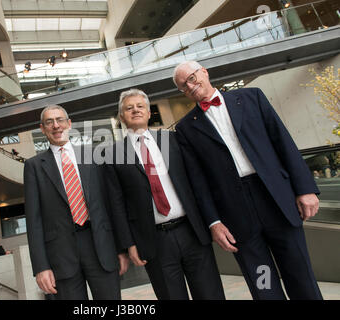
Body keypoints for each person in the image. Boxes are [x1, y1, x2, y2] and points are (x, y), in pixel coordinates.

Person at [173, 60, 323, 300]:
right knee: (264, 285)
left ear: (204, 71)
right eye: (183, 86)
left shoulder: (252, 98)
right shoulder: (186, 129)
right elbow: (197, 181)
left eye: (191, 77)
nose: (189, 86)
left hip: (276, 200)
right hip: (236, 214)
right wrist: (214, 222)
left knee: (300, 276)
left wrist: (305, 189)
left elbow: (282, 141)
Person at [104, 89, 225, 300]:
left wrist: (213, 220)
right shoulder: (112, 155)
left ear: (149, 112)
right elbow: (116, 204)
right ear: (121, 117)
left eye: (140, 106)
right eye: (128, 108)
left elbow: (196, 181)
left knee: (210, 294)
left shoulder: (173, 139)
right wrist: (129, 244)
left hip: (192, 232)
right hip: (154, 241)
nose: (135, 111)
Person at [23, 105, 128, 300]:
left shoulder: (94, 155)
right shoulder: (34, 166)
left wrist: (121, 249)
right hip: (61, 256)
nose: (56, 125)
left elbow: (110, 204)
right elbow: (34, 221)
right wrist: (41, 267)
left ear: (69, 124)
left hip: (101, 247)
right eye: (49, 122)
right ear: (42, 128)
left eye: (60, 120)